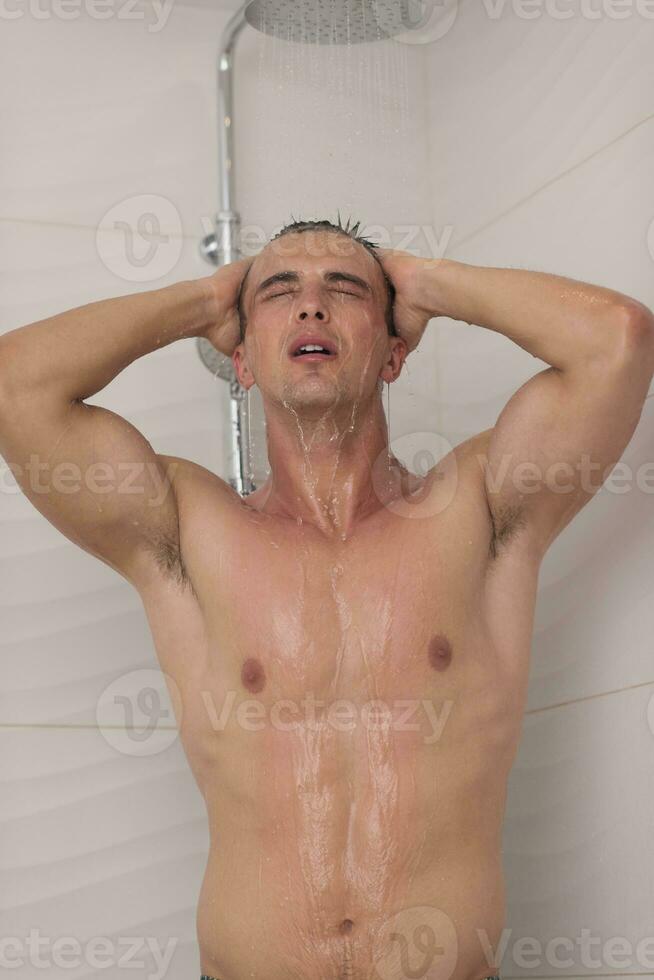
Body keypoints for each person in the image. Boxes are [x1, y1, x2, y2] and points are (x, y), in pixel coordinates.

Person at [1, 216, 652, 980]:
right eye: (280, 292)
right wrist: (206, 300)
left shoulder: (478, 508)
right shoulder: (186, 528)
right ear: (240, 360)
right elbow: (16, 386)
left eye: (343, 290)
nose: (312, 307)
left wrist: (425, 281)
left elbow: (619, 340)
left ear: (394, 350)